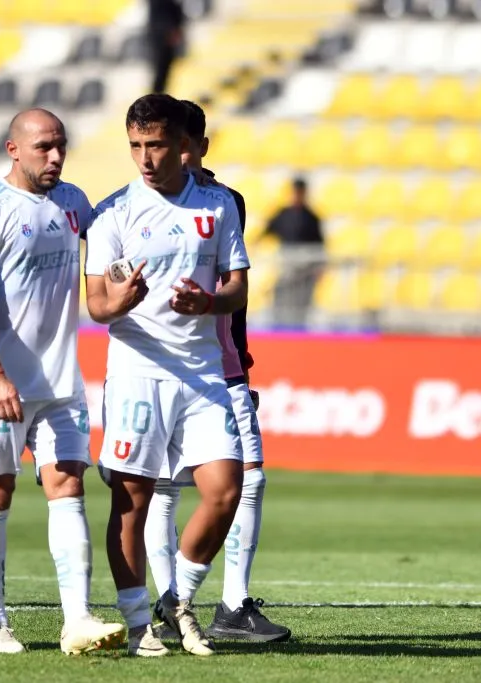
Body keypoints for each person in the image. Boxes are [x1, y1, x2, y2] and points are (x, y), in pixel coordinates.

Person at [0, 108, 127, 655]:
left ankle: (76, 619)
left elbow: (106, 261)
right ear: (14, 149)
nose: (55, 157)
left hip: (60, 384)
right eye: (44, 147)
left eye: (61, 146)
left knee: (68, 486)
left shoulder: (73, 203)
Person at [85, 93, 248, 657]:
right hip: (137, 370)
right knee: (131, 501)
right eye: (135, 146)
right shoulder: (112, 212)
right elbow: (97, 307)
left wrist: (209, 302)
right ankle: (136, 625)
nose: (145, 158)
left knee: (226, 492)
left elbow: (237, 287)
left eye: (155, 145)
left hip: (202, 373)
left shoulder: (218, 204)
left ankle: (176, 599)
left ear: (183, 146)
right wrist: (123, 300)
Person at [143, 100, 290, 643]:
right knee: (163, 488)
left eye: (184, 144)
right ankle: (168, 600)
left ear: (200, 147)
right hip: (156, 367)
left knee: (247, 480)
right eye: (164, 145)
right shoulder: (139, 205)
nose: (173, 156)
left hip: (224, 364)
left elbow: (231, 281)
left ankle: (232, 604)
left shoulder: (225, 202)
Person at [264, 176, 324, 328]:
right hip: (287, 263)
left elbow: (319, 244)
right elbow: (266, 231)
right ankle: (279, 323)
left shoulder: (311, 217)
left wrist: (319, 268)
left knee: (302, 299)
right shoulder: (283, 214)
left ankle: (300, 326)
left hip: (306, 267)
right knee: (282, 292)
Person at [147, 0, 186, 93]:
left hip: (163, 32)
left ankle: (159, 96)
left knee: (164, 68)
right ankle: (157, 97)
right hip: (163, 34)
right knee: (161, 68)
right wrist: (171, 30)